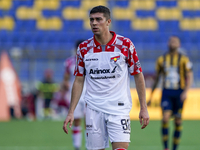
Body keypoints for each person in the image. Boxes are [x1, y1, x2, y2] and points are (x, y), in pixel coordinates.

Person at [63, 5, 149, 150]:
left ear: (108, 22)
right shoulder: (84, 48)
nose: (94, 23)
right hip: (93, 108)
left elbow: (138, 75)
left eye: (98, 19)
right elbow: (78, 80)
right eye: (91, 20)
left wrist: (144, 107)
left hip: (118, 107)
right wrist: (71, 111)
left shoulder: (125, 45)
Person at [148, 36, 193, 150]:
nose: (173, 43)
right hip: (166, 92)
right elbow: (157, 78)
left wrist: (186, 91)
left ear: (179, 45)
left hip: (179, 92)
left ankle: (175, 148)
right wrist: (151, 95)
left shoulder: (184, 59)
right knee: (165, 118)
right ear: (168, 44)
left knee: (178, 121)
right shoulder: (161, 60)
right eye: (171, 41)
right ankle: (166, 147)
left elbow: (189, 76)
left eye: (175, 42)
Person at [63, 40, 86, 150]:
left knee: (89, 121)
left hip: (88, 93)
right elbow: (66, 77)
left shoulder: (90, 59)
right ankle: (77, 146)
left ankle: (89, 145)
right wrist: (65, 84)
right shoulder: (69, 62)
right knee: (76, 120)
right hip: (75, 94)